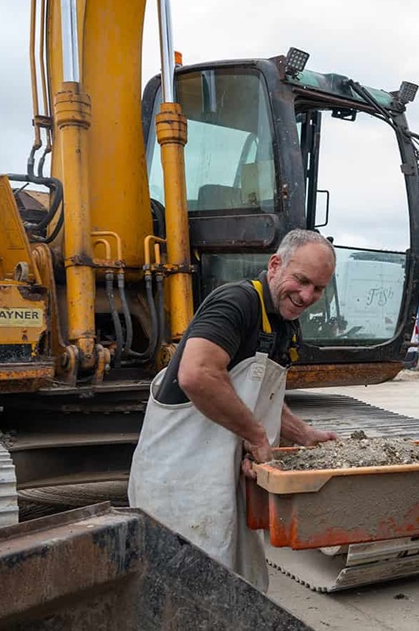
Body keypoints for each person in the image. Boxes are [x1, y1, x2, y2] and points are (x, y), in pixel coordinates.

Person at [129, 229, 339, 590]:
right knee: (185, 595)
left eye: (318, 288)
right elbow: (198, 374)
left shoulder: (284, 322)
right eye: (301, 281)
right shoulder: (236, 302)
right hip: (182, 484)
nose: (307, 296)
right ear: (275, 265)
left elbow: (255, 393)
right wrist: (256, 436)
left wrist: (301, 433)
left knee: (237, 590)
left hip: (222, 484)